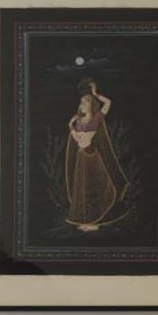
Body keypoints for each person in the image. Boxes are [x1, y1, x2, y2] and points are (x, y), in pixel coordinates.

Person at [64, 83, 126, 230]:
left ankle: (94, 222)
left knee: (94, 187)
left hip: (91, 156)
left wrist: (95, 93)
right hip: (81, 157)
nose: (82, 105)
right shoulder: (78, 120)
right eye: (81, 102)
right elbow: (77, 139)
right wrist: (71, 126)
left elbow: (108, 103)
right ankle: (86, 221)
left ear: (91, 104)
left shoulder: (97, 118)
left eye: (85, 102)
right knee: (82, 188)